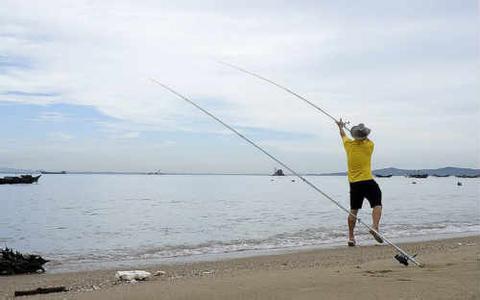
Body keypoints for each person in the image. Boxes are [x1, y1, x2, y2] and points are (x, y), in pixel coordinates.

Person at [336, 119, 383, 247]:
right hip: (368, 181)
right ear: (366, 135)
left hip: (354, 184)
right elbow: (364, 138)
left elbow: (343, 135)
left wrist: (340, 126)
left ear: (354, 136)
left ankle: (351, 237)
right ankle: (375, 227)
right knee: (377, 203)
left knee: (353, 211)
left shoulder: (348, 145)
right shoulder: (370, 145)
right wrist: (359, 133)